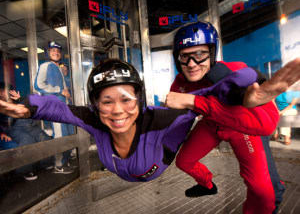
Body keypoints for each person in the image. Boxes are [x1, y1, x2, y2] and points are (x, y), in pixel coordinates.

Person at [0, 58, 284, 183]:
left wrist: (249, 87)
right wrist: (25, 107)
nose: (117, 111)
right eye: (107, 101)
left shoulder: (163, 119)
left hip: (165, 152)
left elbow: (215, 91)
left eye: (127, 99)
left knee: (204, 121)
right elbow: (55, 108)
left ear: (141, 99)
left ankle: (207, 182)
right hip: (130, 169)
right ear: (95, 105)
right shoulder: (95, 118)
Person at [165, 21, 300, 214]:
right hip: (212, 125)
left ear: (211, 54)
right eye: (185, 57)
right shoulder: (180, 84)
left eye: (199, 55)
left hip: (241, 127)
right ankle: (208, 185)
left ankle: (271, 195)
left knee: (263, 192)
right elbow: (177, 119)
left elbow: (266, 127)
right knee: (184, 161)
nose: (192, 64)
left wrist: (196, 102)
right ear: (177, 59)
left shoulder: (230, 71)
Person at [34, 41, 73, 174]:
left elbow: (64, 88)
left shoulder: (59, 68)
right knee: (60, 135)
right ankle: (58, 165)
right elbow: (38, 85)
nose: (56, 53)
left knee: (67, 134)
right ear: (48, 53)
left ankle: (64, 161)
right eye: (52, 51)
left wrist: (67, 94)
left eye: (57, 51)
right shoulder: (45, 65)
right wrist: (59, 90)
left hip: (63, 107)